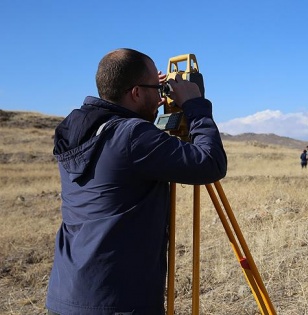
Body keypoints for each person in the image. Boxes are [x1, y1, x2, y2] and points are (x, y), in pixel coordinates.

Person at [46, 48, 227, 315]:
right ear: (136, 93)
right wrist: (194, 104)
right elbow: (210, 163)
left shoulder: (77, 129)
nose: (161, 95)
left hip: (66, 296)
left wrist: (150, 85)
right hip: (118, 302)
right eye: (157, 87)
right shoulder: (131, 136)